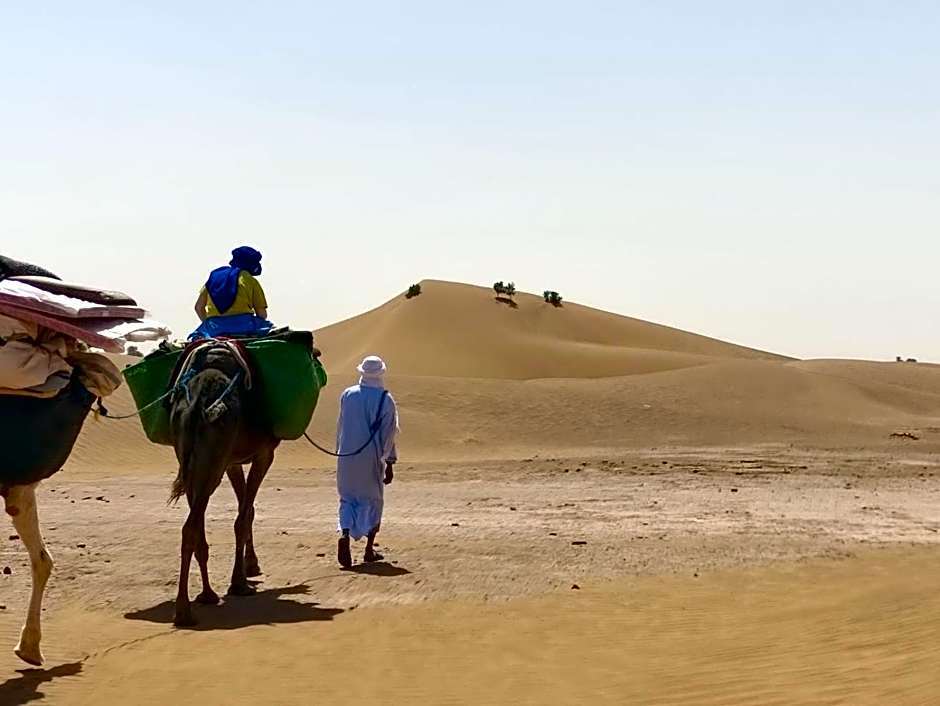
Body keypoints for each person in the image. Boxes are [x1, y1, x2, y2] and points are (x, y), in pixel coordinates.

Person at [336, 355, 399, 569]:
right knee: (373, 500)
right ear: (381, 373)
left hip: (346, 456)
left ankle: (344, 532)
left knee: (347, 498)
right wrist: (389, 462)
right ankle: (368, 550)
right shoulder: (385, 399)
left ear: (362, 372)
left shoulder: (348, 394)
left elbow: (341, 426)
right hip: (370, 458)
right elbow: (389, 434)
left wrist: (340, 452)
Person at [190, 246, 273, 339]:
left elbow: (198, 307)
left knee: (193, 339)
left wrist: (210, 325)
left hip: (213, 327)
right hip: (245, 325)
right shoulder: (250, 280)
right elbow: (262, 314)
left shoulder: (214, 278)